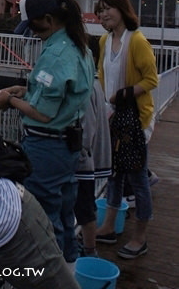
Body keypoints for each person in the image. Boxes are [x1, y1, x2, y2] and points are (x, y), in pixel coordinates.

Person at [0, 0, 94, 264]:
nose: (33, 32)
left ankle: (51, 274)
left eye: (33, 25)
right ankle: (69, 265)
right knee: (63, 209)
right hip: (67, 147)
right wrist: (25, 90)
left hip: (47, 146)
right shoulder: (78, 46)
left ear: (48, 20)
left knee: (42, 217)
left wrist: (9, 100)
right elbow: (61, 97)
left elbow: (43, 114)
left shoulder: (57, 54)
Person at [94, 0, 158, 259]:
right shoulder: (104, 41)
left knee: (138, 179)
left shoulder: (137, 41)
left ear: (121, 9)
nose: (103, 14)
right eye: (100, 11)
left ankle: (140, 237)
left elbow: (151, 79)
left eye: (108, 8)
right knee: (114, 175)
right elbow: (101, 75)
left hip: (135, 120)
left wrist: (123, 94)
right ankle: (108, 226)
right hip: (112, 118)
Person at [74, 37, 112, 257]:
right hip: (88, 160)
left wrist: (77, 151)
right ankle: (88, 248)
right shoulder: (95, 82)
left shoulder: (86, 86)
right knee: (85, 207)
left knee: (84, 209)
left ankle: (89, 251)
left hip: (82, 162)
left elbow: (86, 131)